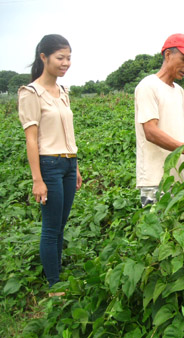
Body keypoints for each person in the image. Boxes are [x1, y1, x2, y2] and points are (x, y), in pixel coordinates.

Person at [18, 34, 82, 292]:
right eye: (60, 58)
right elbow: (31, 140)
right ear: (43, 57)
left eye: (68, 58)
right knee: (51, 227)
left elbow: (69, 133)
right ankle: (55, 285)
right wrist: (37, 180)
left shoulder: (63, 91)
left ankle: (57, 274)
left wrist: (75, 166)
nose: (65, 63)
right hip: (49, 166)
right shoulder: (31, 93)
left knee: (61, 224)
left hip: (68, 165)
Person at [135, 33, 184, 207]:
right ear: (168, 55)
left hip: (179, 178)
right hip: (156, 179)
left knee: (178, 229)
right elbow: (151, 132)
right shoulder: (148, 86)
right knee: (156, 229)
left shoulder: (178, 91)